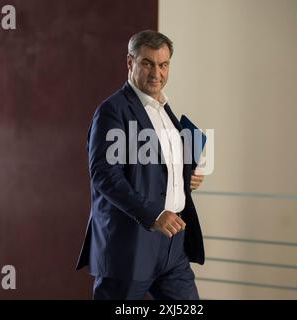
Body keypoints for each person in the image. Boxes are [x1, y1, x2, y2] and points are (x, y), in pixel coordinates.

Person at [76, 30, 205, 300]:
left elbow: (157, 165)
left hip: (173, 245)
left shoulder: (163, 109)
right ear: (130, 63)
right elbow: (105, 175)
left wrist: (186, 174)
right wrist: (154, 215)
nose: (156, 73)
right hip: (129, 247)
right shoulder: (112, 111)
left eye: (163, 64)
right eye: (147, 63)